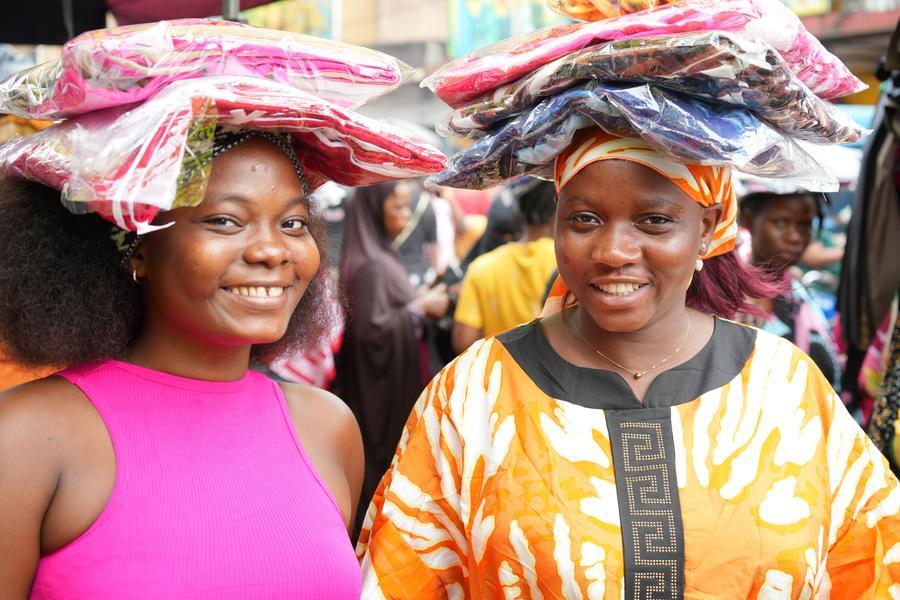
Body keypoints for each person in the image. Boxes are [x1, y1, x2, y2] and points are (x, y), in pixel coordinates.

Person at [357, 130, 900, 598]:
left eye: (655, 220)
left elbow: (872, 564)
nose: (614, 250)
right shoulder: (474, 394)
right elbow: (402, 574)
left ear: (708, 227)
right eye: (585, 218)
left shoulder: (785, 387)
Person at [0, 133, 365, 598]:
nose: (272, 251)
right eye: (226, 221)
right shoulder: (26, 435)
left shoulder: (329, 427)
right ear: (137, 246)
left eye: (293, 223)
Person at [331, 181, 450, 537]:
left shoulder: (379, 256)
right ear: (373, 210)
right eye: (397, 208)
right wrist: (418, 309)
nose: (404, 216)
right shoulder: (372, 266)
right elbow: (372, 332)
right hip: (378, 393)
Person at [739, 191, 843, 391]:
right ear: (750, 220)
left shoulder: (796, 290)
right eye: (781, 222)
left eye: (804, 224)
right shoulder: (733, 300)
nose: (795, 236)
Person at [451, 179, 557, 354]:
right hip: (551, 376)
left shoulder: (482, 267)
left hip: (497, 374)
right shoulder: (566, 265)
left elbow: (463, 342)